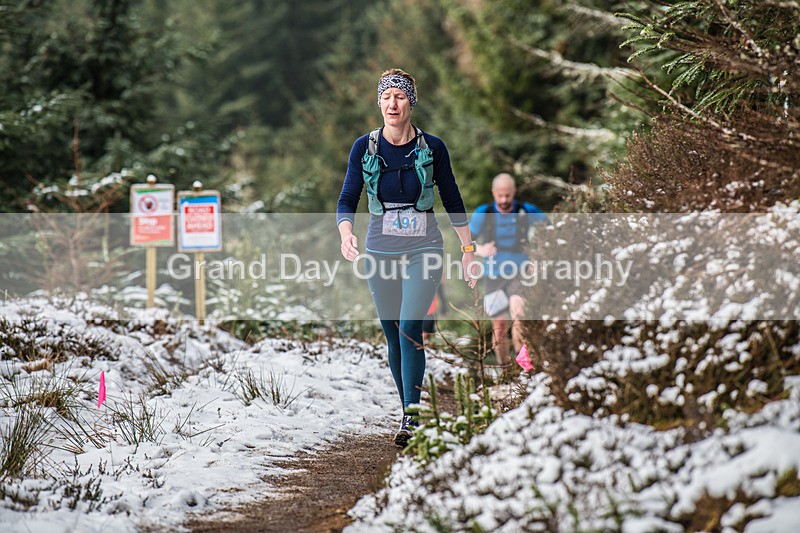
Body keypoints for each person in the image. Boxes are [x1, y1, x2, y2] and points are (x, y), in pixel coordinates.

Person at [337, 68, 479, 447]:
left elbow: (452, 199)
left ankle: (411, 416)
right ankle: (406, 407)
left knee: (409, 327)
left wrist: (468, 251)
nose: (392, 103)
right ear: (379, 103)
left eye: (400, 96)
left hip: (424, 249)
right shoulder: (363, 147)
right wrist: (346, 232)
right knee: (392, 334)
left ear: (411, 103)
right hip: (380, 251)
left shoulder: (432, 148)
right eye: (386, 97)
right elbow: (347, 198)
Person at [469, 173, 547, 369]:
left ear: (514, 193)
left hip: (520, 271)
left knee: (519, 313)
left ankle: (524, 368)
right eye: (500, 196)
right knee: (499, 327)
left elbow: (550, 232)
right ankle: (505, 368)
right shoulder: (483, 213)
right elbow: (465, 243)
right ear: (493, 193)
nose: (504, 200)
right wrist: (479, 250)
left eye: (508, 196)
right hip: (493, 275)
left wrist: (537, 258)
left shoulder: (525, 211)